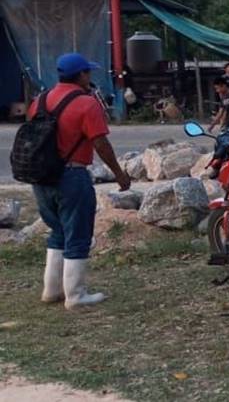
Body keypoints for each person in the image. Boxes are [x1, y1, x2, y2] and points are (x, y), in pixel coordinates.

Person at [26, 52, 132, 308]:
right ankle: (75, 295)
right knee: (78, 234)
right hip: (72, 176)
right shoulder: (86, 103)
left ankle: (51, 290)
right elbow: (101, 144)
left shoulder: (39, 101)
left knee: (58, 231)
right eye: (88, 72)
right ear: (81, 75)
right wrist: (119, 174)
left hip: (40, 177)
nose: (90, 76)